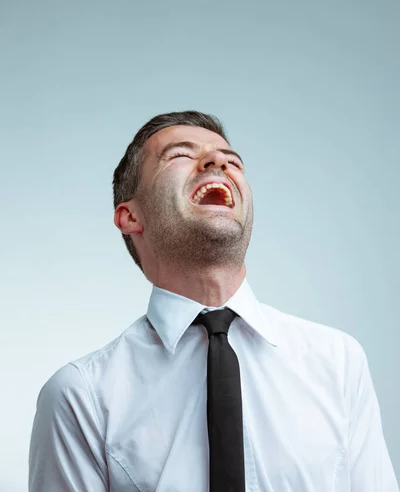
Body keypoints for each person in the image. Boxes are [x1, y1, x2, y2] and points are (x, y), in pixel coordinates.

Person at [29, 110, 399, 491]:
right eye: (179, 155)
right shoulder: (80, 397)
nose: (218, 161)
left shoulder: (338, 364)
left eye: (232, 160)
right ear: (130, 217)